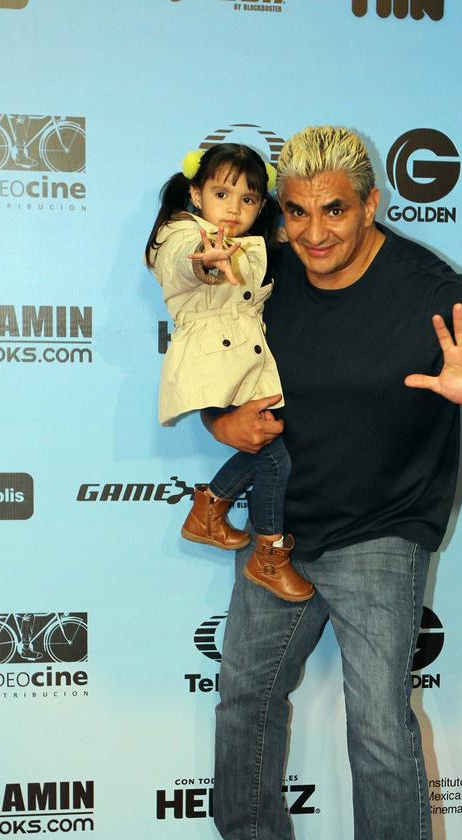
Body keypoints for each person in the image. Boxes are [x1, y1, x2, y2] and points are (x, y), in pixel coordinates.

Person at [164, 126, 462, 840]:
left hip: (382, 528)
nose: (313, 232)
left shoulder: (433, 291)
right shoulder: (264, 267)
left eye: (333, 210)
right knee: (245, 688)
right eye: (295, 212)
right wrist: (220, 422)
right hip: (282, 531)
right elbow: (212, 356)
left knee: (376, 722)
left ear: (371, 203)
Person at [146, 143, 313, 602]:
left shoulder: (252, 244)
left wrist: (286, 237)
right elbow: (186, 261)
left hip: (243, 361)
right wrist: (205, 260)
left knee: (269, 451)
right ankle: (267, 551)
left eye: (248, 199)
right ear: (196, 194)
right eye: (222, 194)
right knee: (274, 459)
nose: (234, 208)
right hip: (214, 362)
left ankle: (211, 510)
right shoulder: (183, 234)